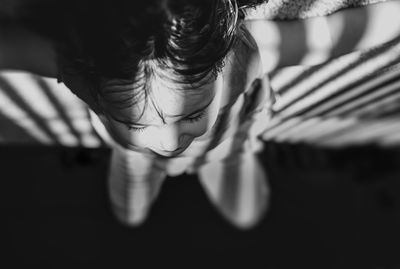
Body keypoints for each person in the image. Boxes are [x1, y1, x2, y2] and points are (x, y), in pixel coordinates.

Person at [1, 0, 400, 228]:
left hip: (229, 145)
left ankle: (199, 160)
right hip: (132, 155)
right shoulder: (76, 67)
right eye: (136, 122)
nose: (169, 142)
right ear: (86, 85)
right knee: (129, 214)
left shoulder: (245, 55)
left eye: (192, 114)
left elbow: (341, 35)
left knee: (246, 214)